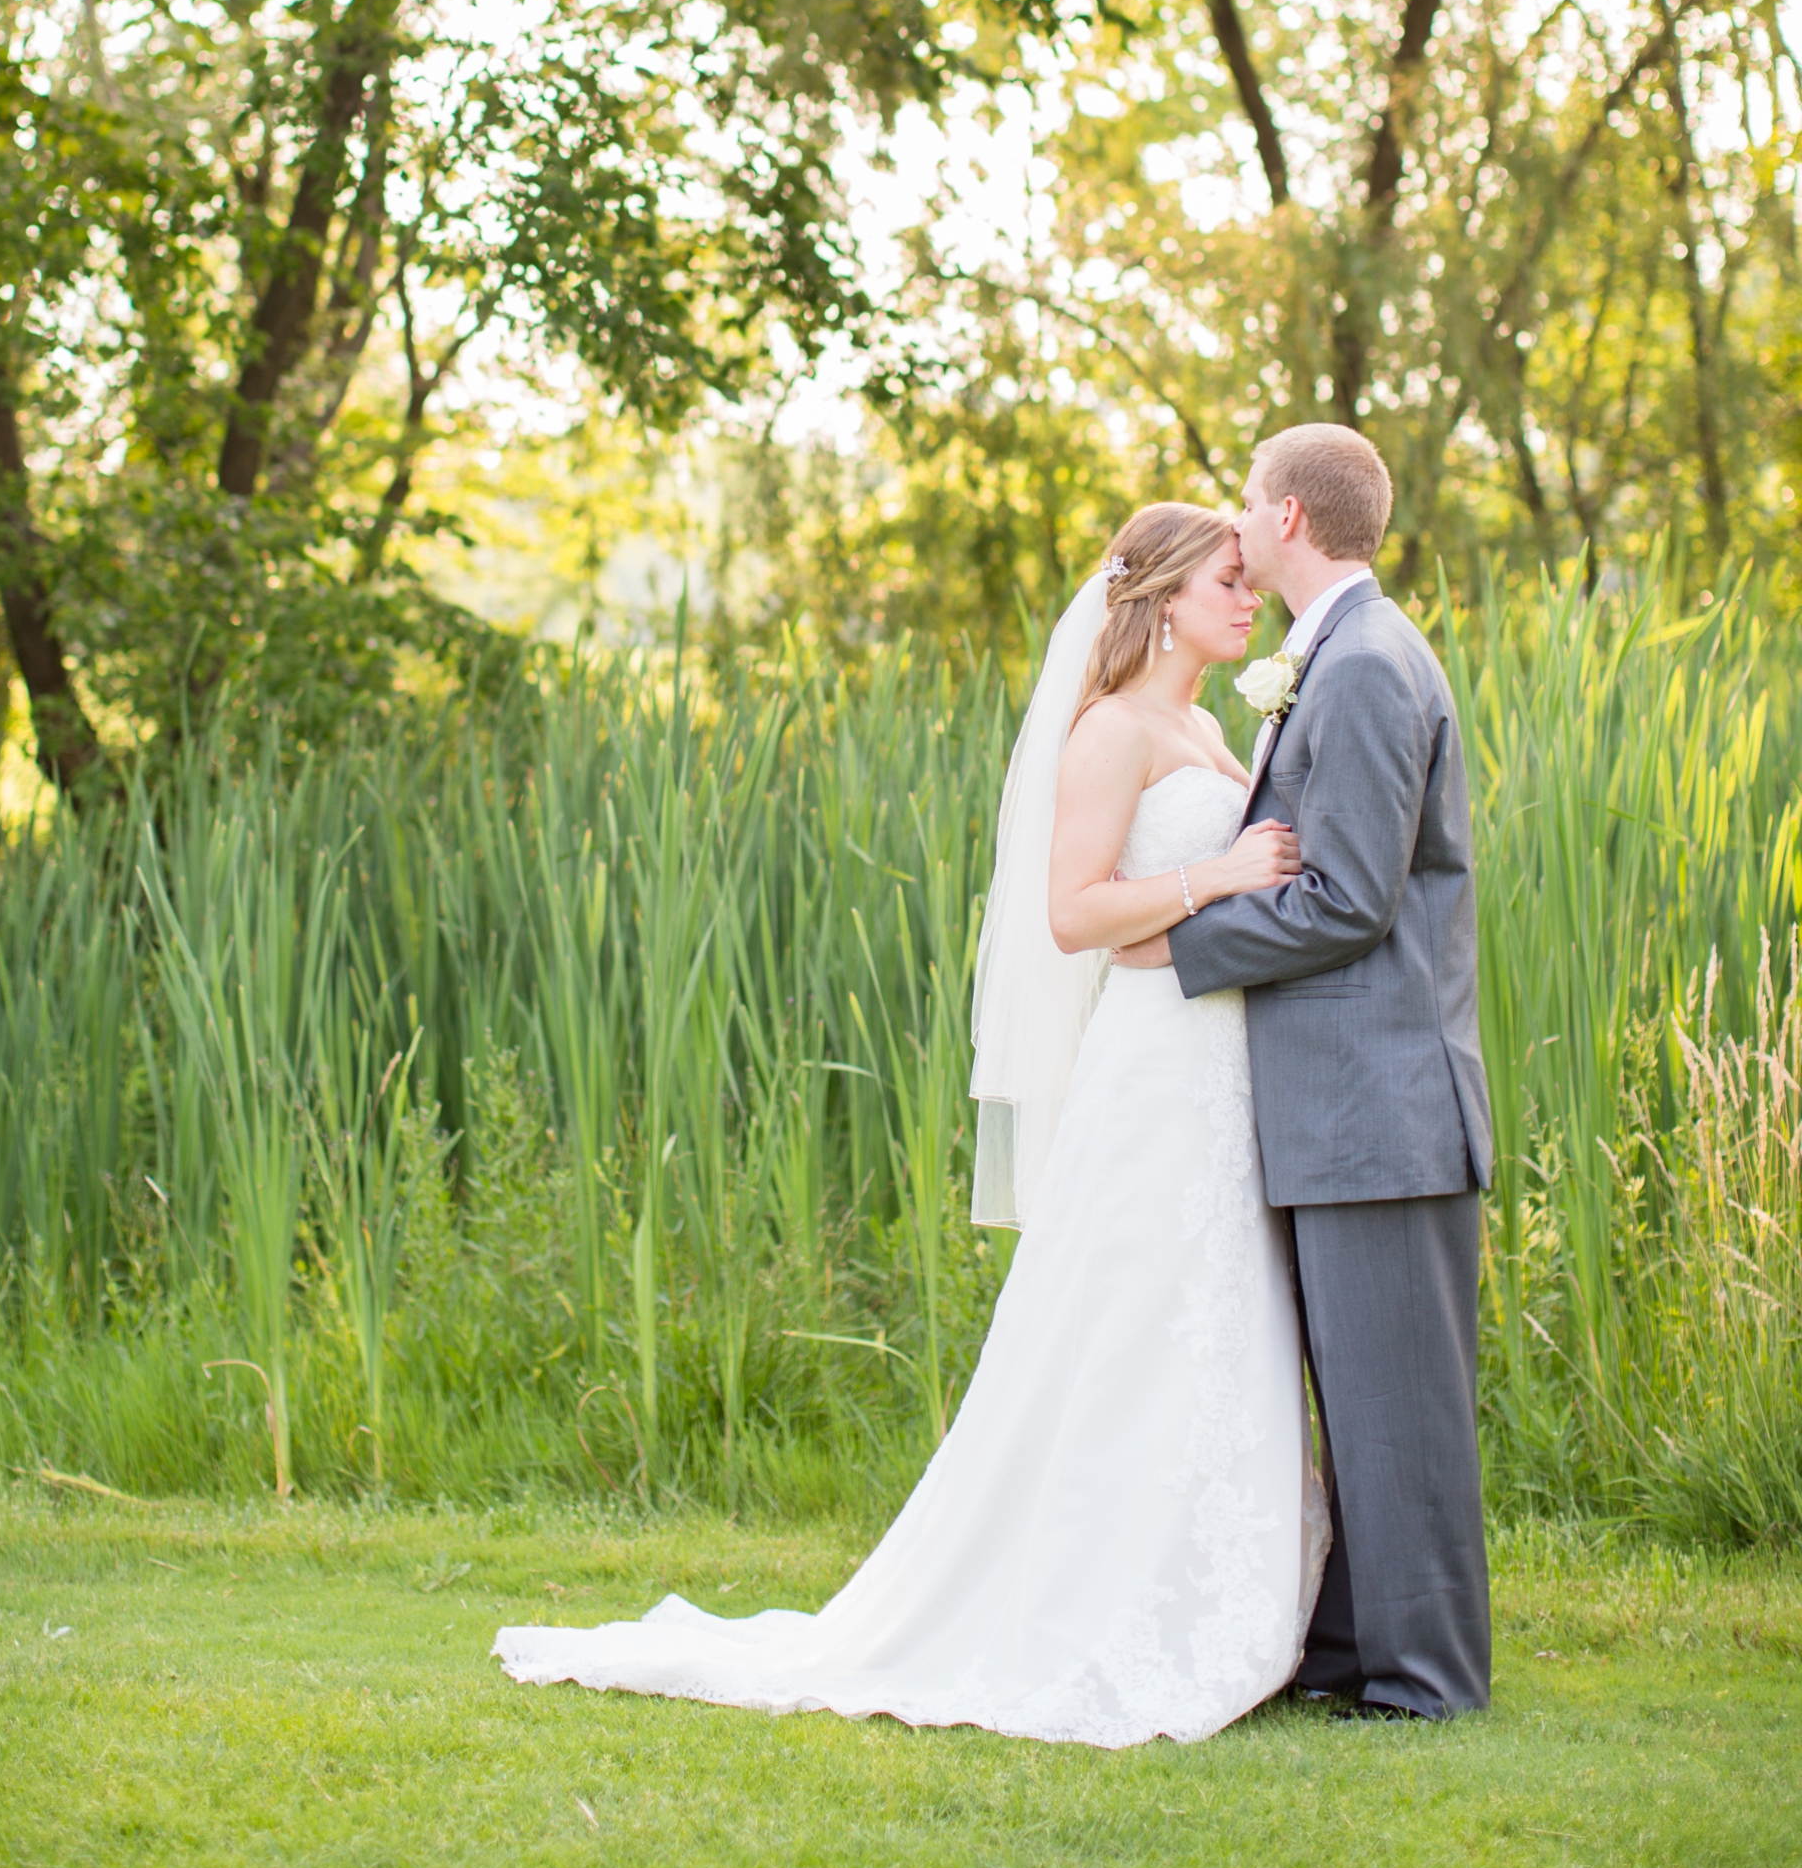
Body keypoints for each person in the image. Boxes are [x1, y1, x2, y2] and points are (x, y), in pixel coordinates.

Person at [494, 503, 1328, 1746]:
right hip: (1152, 1068)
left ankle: (1211, 1589)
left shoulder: (1204, 724)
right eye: (1224, 577)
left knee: (1211, 1317)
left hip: (1220, 1062)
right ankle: (1093, 1603)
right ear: (1157, 596)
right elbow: (1072, 912)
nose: (1245, 593)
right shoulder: (1105, 731)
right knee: (1134, 1321)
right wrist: (1220, 874)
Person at [1168, 424, 1492, 1721]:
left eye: (1248, 503)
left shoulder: (1362, 664)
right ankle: (1354, 1651)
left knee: (1401, 1413)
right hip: (1351, 1101)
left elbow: (1351, 897)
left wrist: (1177, 938)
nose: (1236, 527)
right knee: (1363, 1402)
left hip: (1381, 1102)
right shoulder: (1343, 652)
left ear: (1289, 514)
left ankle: (1426, 1680)